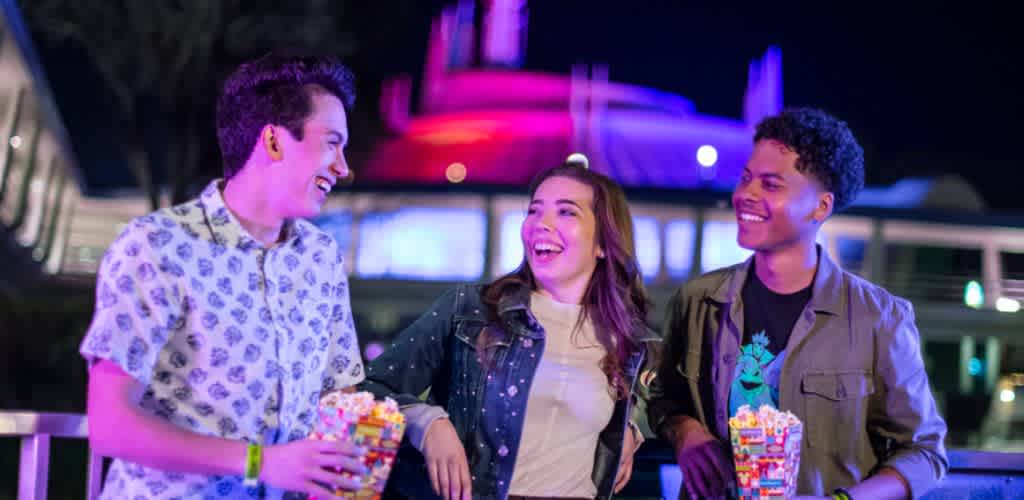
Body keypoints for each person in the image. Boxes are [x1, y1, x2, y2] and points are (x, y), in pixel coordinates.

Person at [79, 51, 368, 499]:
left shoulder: (321, 256)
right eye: (332, 142)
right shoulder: (157, 245)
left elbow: (341, 393)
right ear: (273, 141)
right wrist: (260, 462)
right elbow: (111, 424)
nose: (343, 167)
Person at [648, 108, 948, 499]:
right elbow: (663, 397)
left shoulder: (879, 317)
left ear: (820, 207)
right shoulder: (699, 301)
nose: (746, 195)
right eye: (746, 179)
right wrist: (684, 431)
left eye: (771, 185)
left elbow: (925, 453)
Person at [359, 161, 659, 500]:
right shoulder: (471, 308)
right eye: (534, 210)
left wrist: (631, 431)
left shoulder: (627, 340)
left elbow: (664, 408)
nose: (541, 224)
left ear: (603, 243)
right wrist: (427, 423)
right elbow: (369, 389)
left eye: (566, 213)